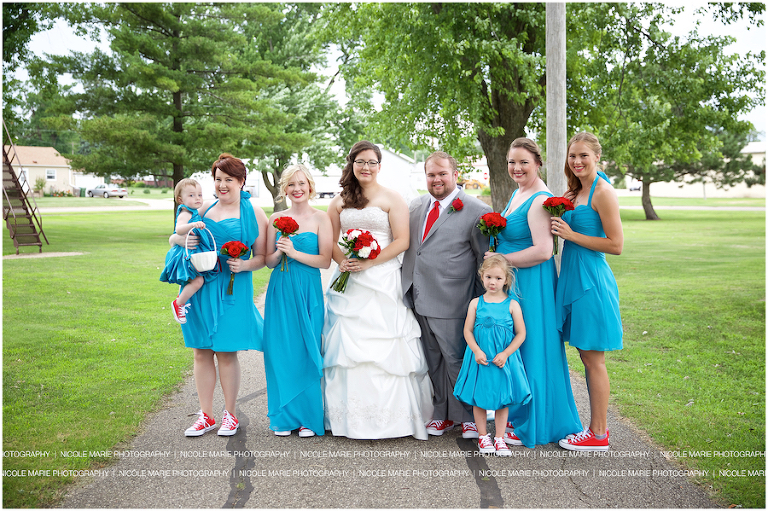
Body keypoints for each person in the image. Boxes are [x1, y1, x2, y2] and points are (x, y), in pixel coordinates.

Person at [322, 140, 433, 440]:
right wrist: (344, 261)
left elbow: (401, 241)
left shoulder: (391, 198)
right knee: (346, 348)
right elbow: (332, 241)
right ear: (352, 164)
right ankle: (348, 418)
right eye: (360, 162)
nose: (366, 167)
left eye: (372, 162)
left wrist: (369, 262)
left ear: (379, 166)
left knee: (386, 347)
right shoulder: (338, 202)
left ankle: (393, 419)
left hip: (382, 277)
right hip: (349, 281)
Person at [169, 154, 268, 437]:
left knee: (226, 351)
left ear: (241, 181)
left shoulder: (254, 213)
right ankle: (206, 415)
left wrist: (246, 264)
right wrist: (181, 239)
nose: (222, 185)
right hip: (203, 286)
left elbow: (261, 256)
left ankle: (231, 415)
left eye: (228, 180)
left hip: (233, 287)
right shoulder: (205, 209)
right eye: (218, 179)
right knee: (201, 351)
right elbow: (178, 237)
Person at [494, 138, 582, 448]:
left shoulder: (540, 199)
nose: (516, 168)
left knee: (532, 345)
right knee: (518, 345)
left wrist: (499, 262)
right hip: (519, 282)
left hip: (533, 284)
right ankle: (519, 412)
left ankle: (535, 420)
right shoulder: (520, 193)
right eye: (511, 162)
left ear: (538, 164)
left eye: (523, 162)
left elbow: (544, 251)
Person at [401, 151, 492, 439]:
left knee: (456, 359)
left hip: (453, 297)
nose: (436, 179)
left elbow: (482, 259)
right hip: (417, 294)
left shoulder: (475, 210)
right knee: (432, 359)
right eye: (431, 174)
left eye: (442, 174)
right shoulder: (415, 207)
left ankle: (467, 416)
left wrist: (479, 303)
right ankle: (441, 414)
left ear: (455, 175)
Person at [551, 132, 623, 451]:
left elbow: (616, 245)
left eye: (583, 155)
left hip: (591, 281)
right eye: (572, 156)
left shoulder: (603, 192)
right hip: (572, 277)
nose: (577, 161)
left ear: (597, 157)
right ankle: (595, 430)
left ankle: (599, 434)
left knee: (594, 360)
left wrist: (570, 234)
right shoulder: (574, 191)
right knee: (584, 355)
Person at [263, 164, 332, 438]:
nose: (297, 189)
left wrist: (293, 252)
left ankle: (307, 417)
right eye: (292, 184)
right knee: (280, 348)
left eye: (302, 183)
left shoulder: (321, 218)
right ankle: (284, 417)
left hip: (307, 290)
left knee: (306, 348)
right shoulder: (276, 218)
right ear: (285, 189)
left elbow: (325, 261)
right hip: (280, 289)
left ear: (310, 187)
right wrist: (279, 253)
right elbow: (268, 262)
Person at [453, 255, 530, 456]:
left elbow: (521, 334)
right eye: (488, 277)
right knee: (480, 397)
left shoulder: (512, 304)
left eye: (497, 278)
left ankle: (499, 438)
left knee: (502, 399)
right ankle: (483, 437)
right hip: (481, 359)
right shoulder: (476, 303)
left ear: (506, 279)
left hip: (502, 360)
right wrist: (477, 350)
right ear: (482, 277)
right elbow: (467, 331)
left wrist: (506, 353)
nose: (493, 282)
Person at [161, 178, 210, 324]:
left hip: (191, 252)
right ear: (180, 199)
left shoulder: (193, 211)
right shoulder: (185, 212)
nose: (197, 198)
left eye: (199, 195)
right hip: (185, 254)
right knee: (198, 280)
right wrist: (193, 224)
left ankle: (181, 299)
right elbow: (179, 229)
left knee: (195, 278)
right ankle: (179, 303)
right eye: (191, 195)